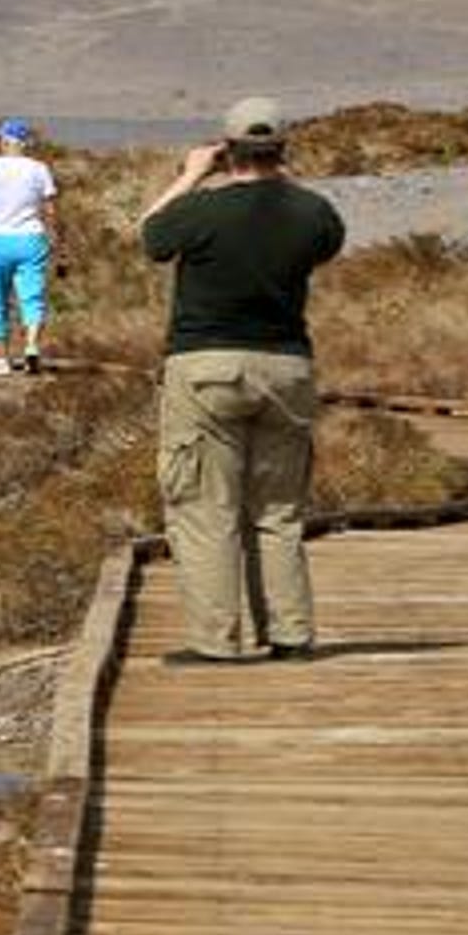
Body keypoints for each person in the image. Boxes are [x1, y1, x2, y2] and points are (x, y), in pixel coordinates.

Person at [138, 97, 347, 665]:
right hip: (286, 367)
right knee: (278, 511)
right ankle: (291, 633)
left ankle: (216, 640)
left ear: (226, 150)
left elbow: (151, 236)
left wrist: (190, 175)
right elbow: (326, 235)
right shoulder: (313, 213)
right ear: (282, 149)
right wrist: (280, 173)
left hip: (206, 366)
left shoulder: (201, 210)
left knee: (207, 509)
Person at [0, 118, 59, 374]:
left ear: (5, 142)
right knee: (32, 299)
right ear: (25, 143)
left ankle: (2, 361)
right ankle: (30, 346)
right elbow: (50, 210)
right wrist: (54, 238)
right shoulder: (40, 169)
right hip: (31, 238)